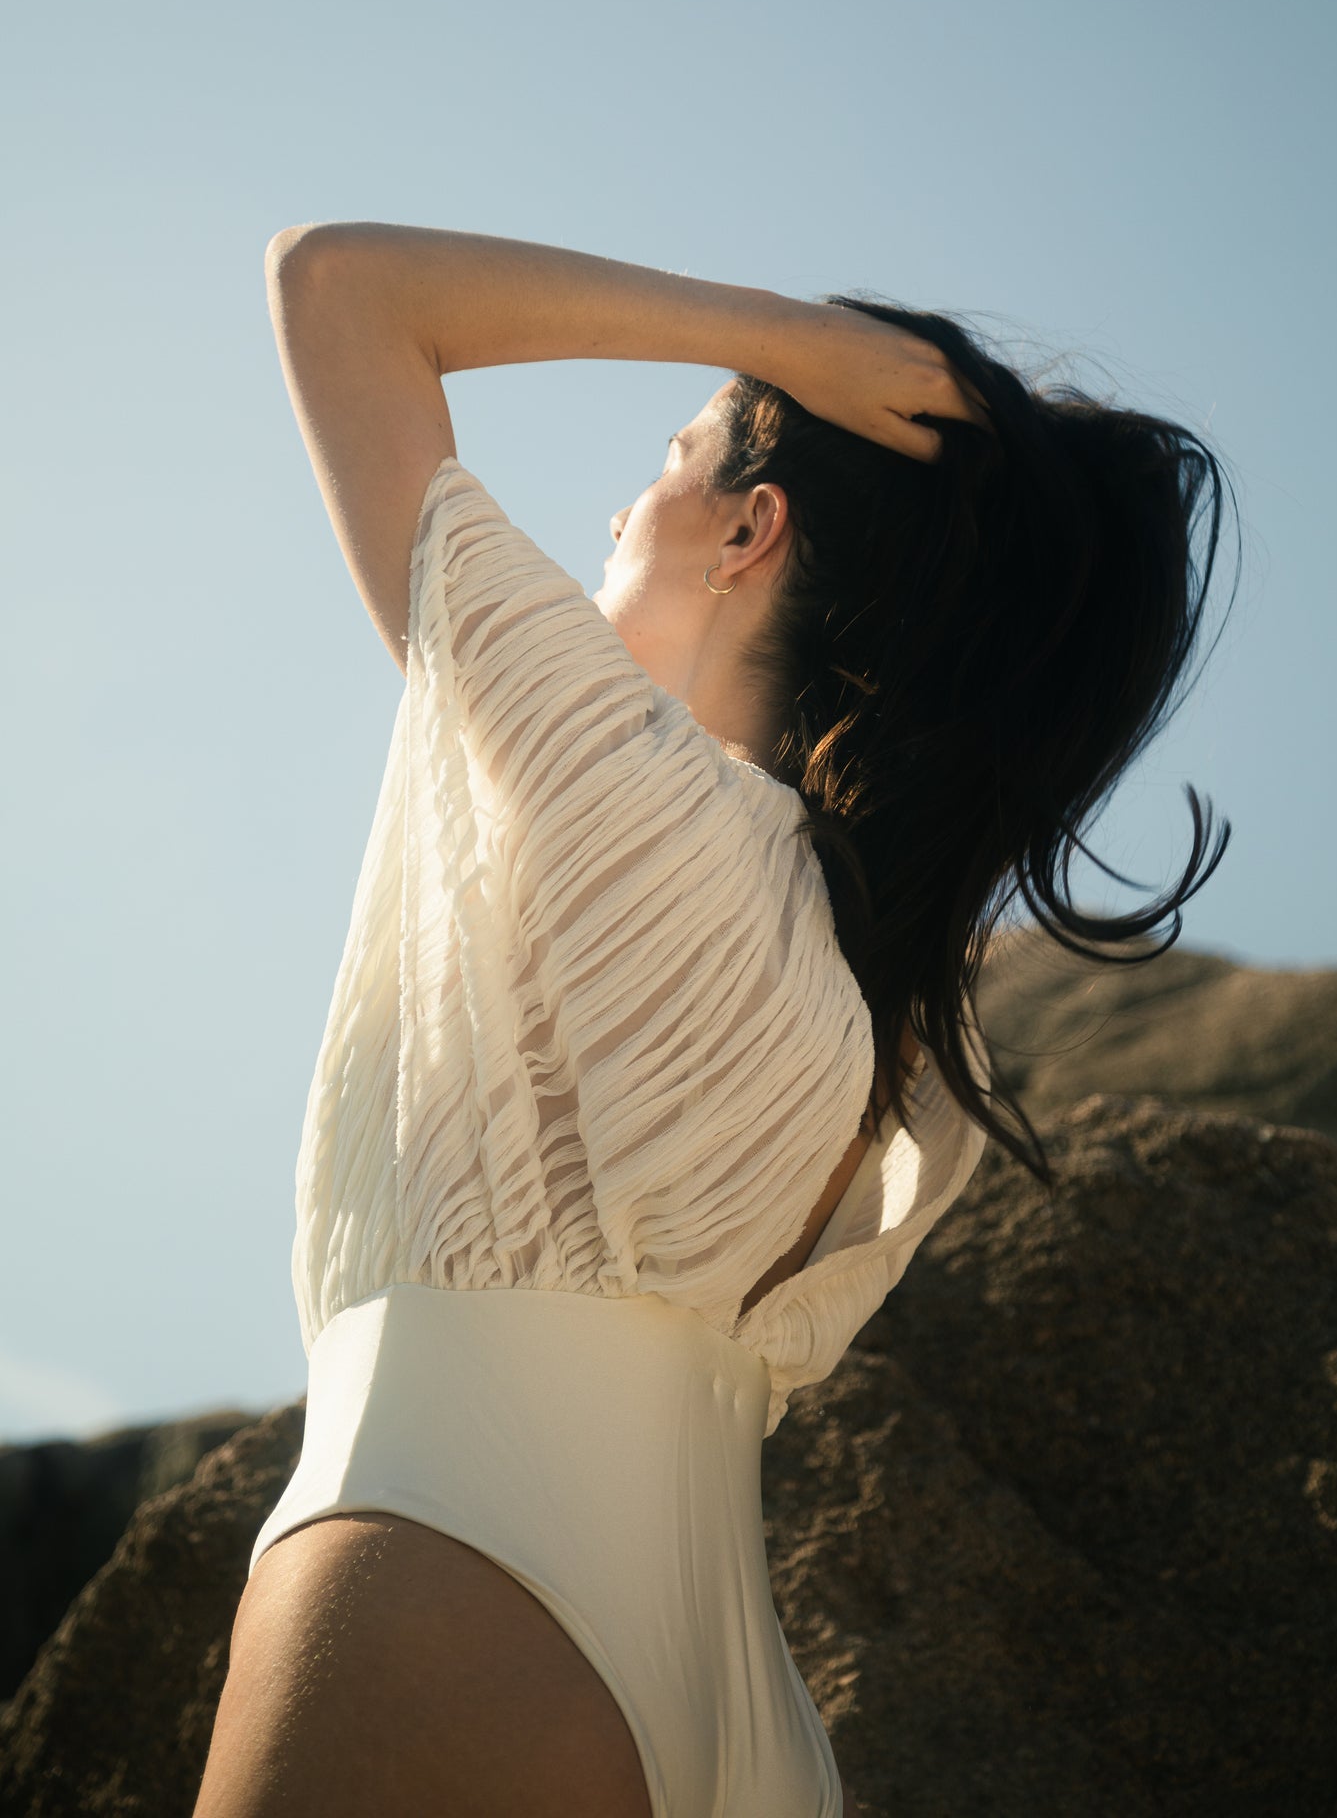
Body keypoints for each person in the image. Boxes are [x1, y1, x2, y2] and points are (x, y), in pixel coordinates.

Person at [192, 225, 1237, 1818]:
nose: (616, 508)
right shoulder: (893, 1025)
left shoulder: (613, 781)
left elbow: (335, 287)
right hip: (742, 1724)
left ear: (751, 529)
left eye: (667, 458)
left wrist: (788, 340)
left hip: (454, 1558)